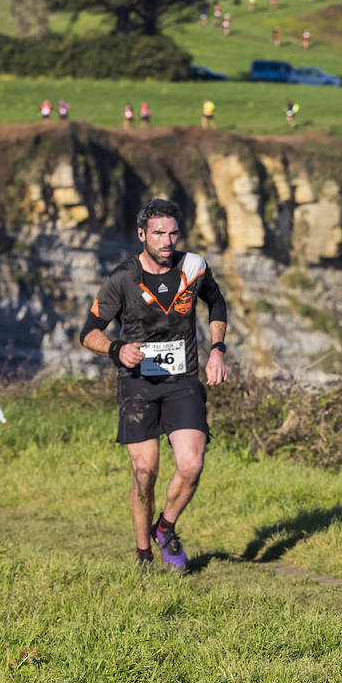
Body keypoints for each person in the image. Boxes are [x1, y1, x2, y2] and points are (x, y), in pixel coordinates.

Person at [80, 198, 228, 571]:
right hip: (138, 384)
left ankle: (166, 527)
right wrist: (116, 349)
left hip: (181, 380)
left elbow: (217, 301)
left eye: (173, 233)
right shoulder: (122, 278)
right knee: (145, 472)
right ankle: (144, 553)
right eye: (159, 233)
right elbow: (88, 333)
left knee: (192, 464)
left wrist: (217, 350)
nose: (167, 241)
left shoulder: (193, 266)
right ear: (142, 234)